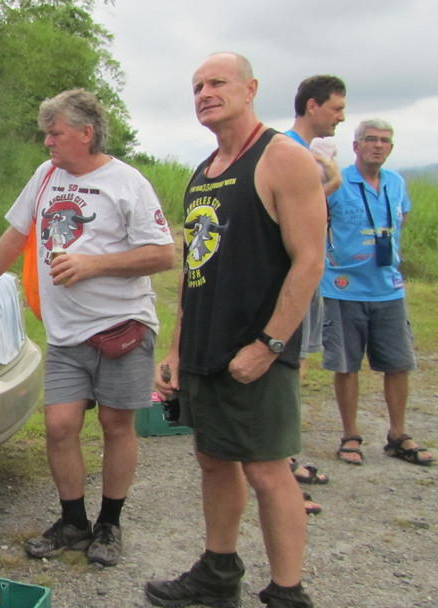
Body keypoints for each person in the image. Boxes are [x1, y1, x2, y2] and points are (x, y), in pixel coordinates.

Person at [0, 88, 175, 567]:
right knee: (60, 427)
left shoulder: (127, 182)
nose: (47, 142)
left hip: (121, 329)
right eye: (46, 133)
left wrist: (92, 265)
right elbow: (16, 235)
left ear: (86, 133)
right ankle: (73, 522)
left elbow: (163, 255)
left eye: (55, 133)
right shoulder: (45, 176)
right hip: (65, 333)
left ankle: (110, 524)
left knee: (116, 425)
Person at [146, 53, 325, 608]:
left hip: (256, 348)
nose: (205, 92)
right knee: (213, 459)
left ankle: (288, 593)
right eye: (197, 85)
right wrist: (177, 349)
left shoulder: (282, 158)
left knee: (268, 471)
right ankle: (218, 574)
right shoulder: (204, 171)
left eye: (218, 82)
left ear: (251, 89)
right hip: (206, 348)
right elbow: (194, 267)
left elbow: (310, 261)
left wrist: (269, 345)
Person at [323, 119, 433, 467]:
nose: (378, 145)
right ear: (356, 146)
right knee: (346, 365)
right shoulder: (337, 181)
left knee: (399, 364)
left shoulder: (395, 182)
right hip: (343, 288)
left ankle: (398, 434)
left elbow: (401, 220)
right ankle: (350, 435)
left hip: (388, 288)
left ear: (391, 147)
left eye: (385, 140)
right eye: (371, 139)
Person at [283, 75, 347, 506]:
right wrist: (332, 185)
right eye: (336, 108)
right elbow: (291, 217)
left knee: (298, 366)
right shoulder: (291, 152)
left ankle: (284, 457)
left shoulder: (306, 151)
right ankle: (280, 464)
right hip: (295, 279)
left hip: (313, 277)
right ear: (312, 106)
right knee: (290, 368)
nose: (340, 117)